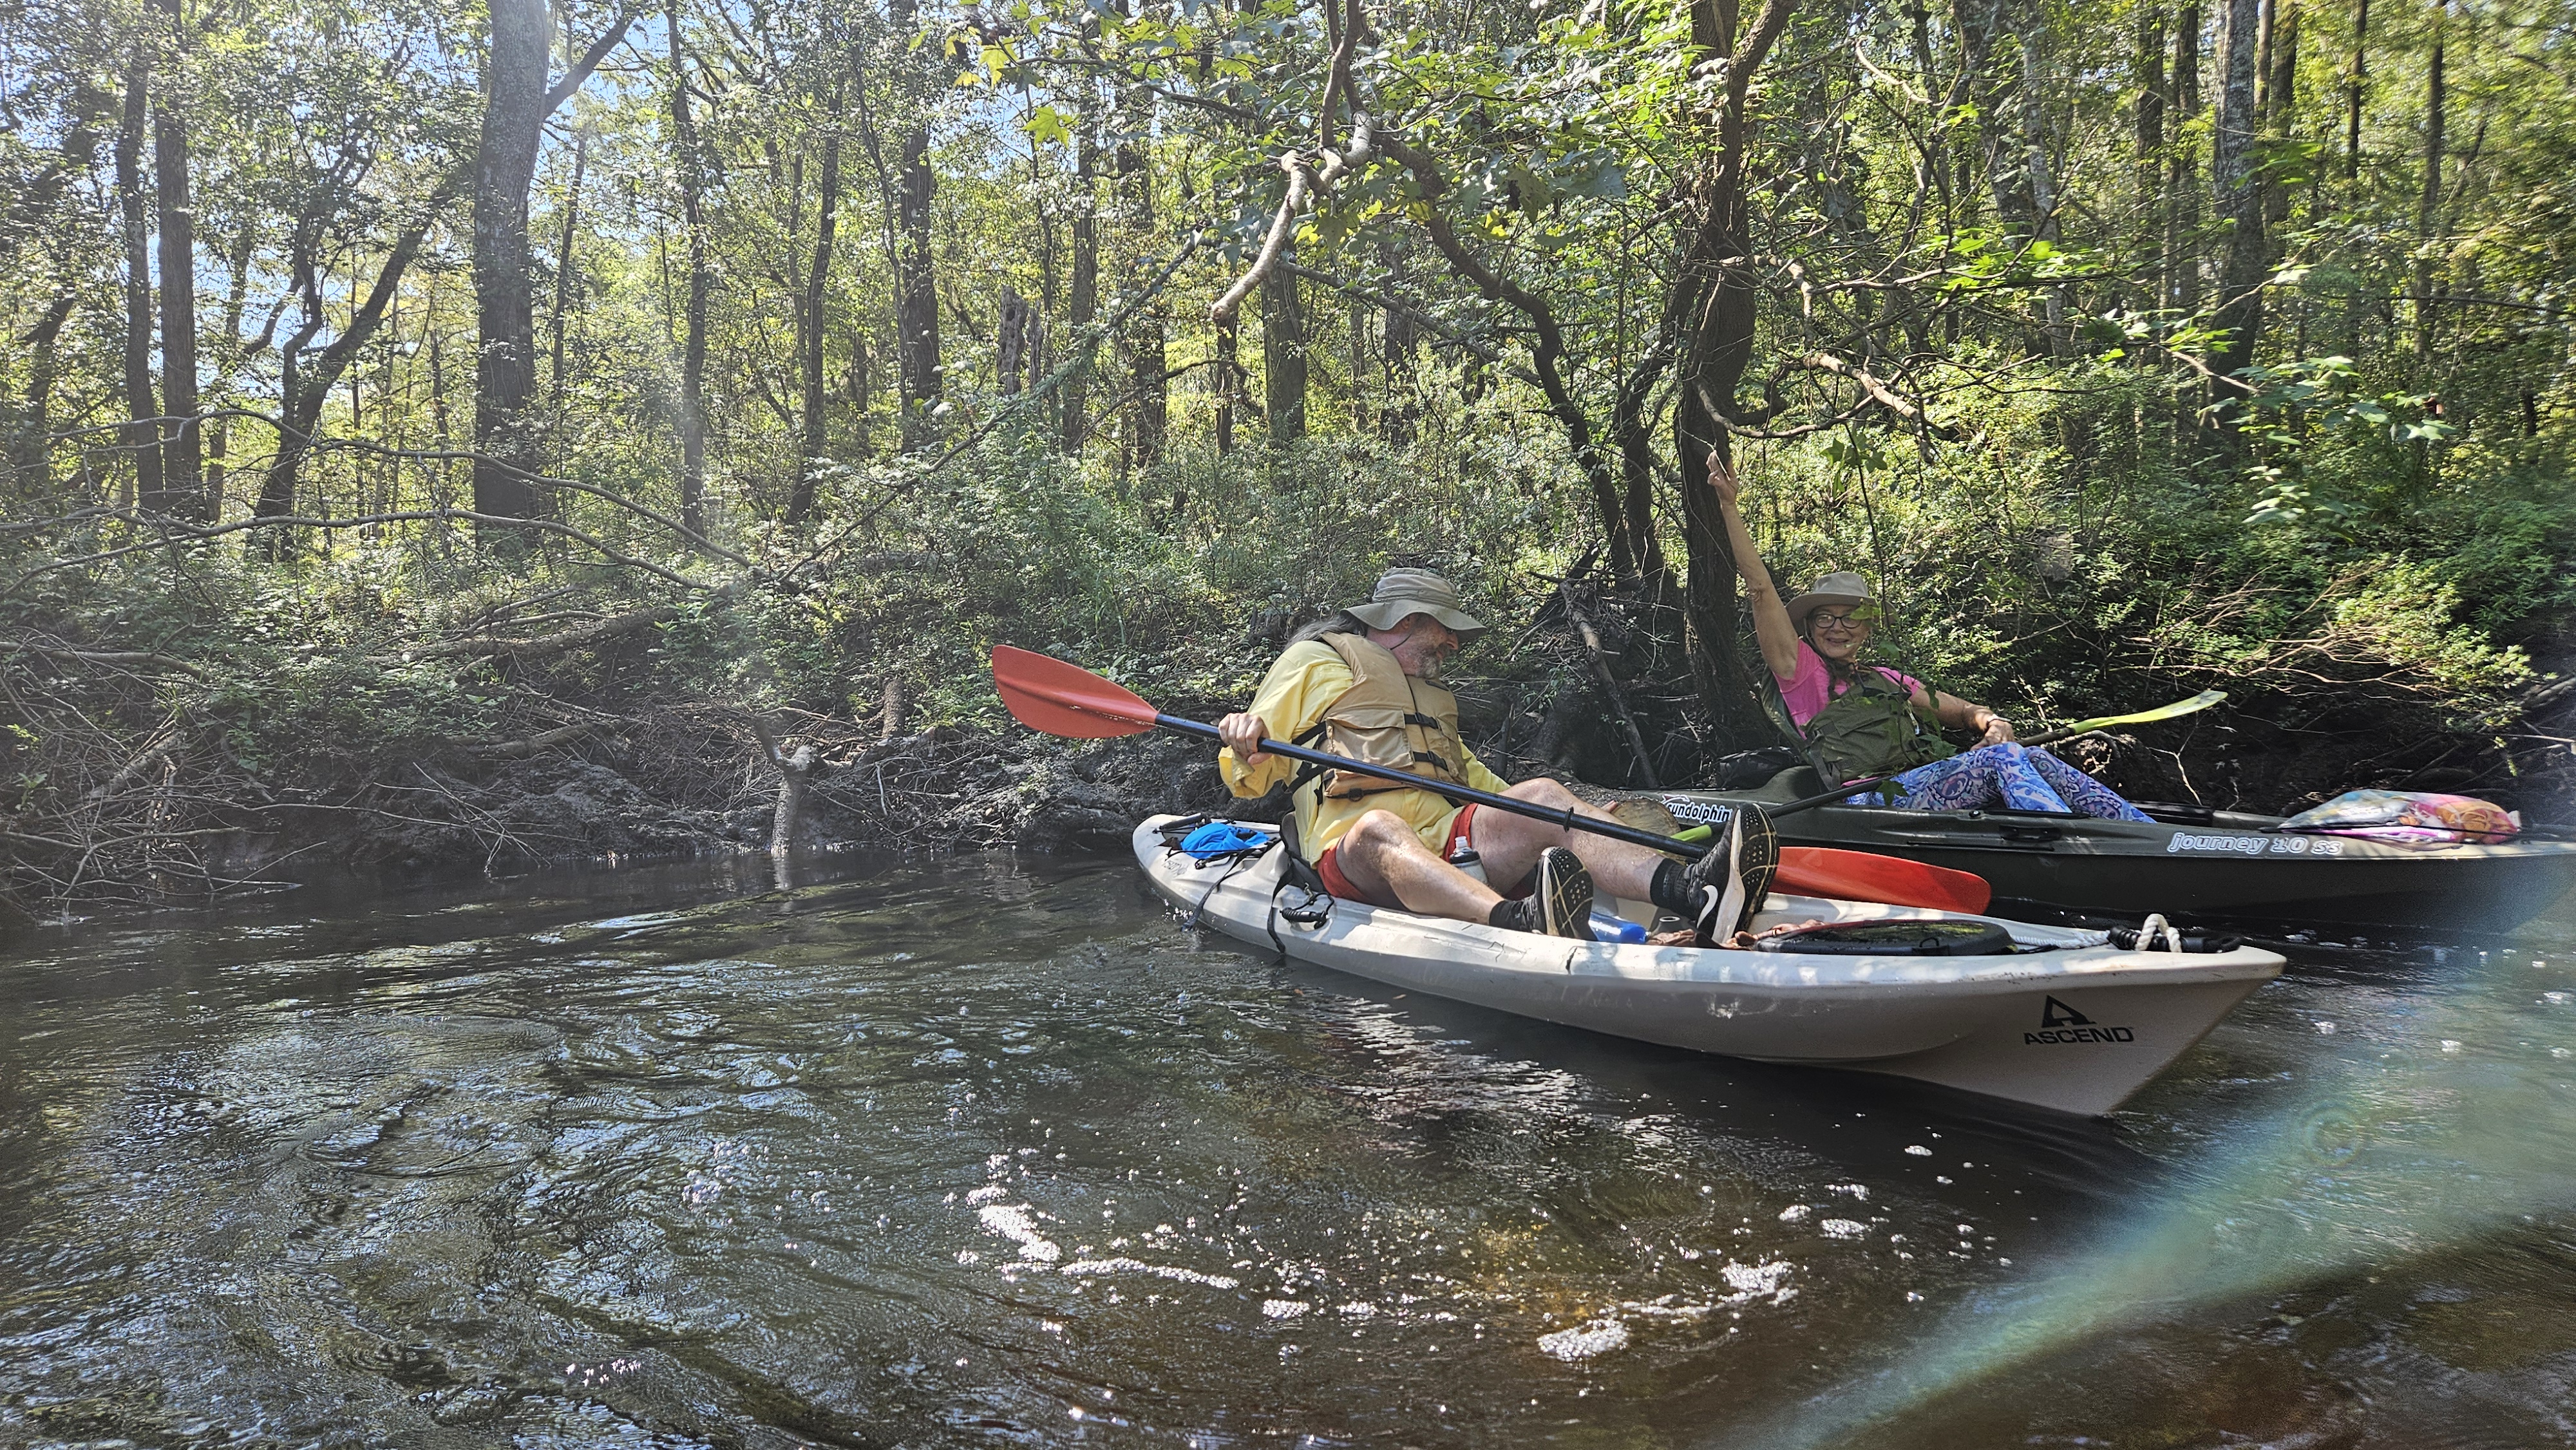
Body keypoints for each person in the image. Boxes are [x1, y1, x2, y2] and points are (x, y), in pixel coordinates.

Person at [1217, 567, 1777, 941]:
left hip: (1452, 845)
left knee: (1543, 797)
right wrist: (1246, 740)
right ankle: (1517, 921)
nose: (1454, 644)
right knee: (1380, 826)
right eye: (1445, 631)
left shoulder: (1427, 698)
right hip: (1354, 855)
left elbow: (1477, 780)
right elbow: (1249, 779)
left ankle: (1694, 892)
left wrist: (1574, 823)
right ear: (1406, 621)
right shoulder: (1312, 663)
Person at [1707, 451, 2152, 820]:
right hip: (1865, 804)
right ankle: (2063, 842)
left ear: (1866, 627)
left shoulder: (1888, 677)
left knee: (2028, 754)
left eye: (1850, 618)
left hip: (1920, 790)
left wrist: (1994, 723)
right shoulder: (1799, 673)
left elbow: (1966, 713)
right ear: (1808, 628)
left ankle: (2144, 833)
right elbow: (1760, 589)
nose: (1837, 627)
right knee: (2001, 759)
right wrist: (1729, 506)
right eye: (1824, 618)